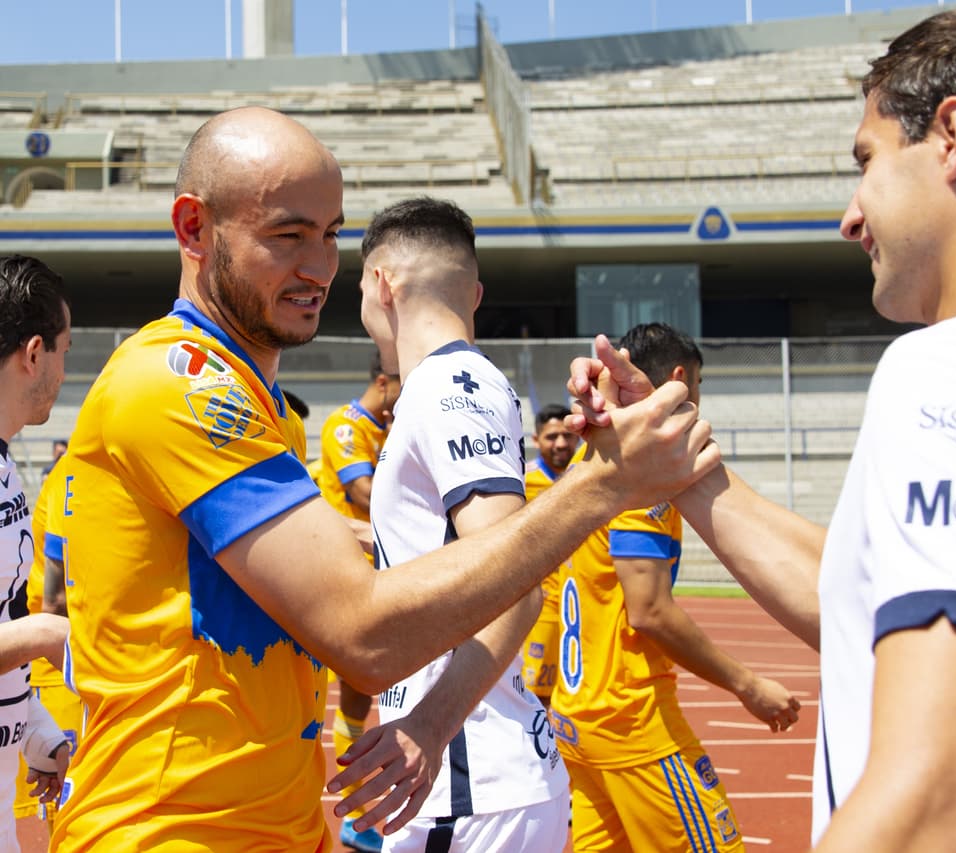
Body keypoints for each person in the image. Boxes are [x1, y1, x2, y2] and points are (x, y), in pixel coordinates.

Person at [567, 2, 956, 849]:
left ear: (951, 135)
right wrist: (680, 461)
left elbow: (939, 799)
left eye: (866, 160)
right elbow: (868, 601)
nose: (851, 214)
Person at [51, 107, 716, 852]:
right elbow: (362, 630)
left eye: (331, 233)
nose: (319, 267)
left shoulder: (265, 406)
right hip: (167, 829)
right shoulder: (176, 382)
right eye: (287, 234)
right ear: (195, 229)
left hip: (279, 820)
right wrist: (601, 484)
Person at [326, 196, 569, 851]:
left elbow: (515, 578)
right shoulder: (451, 384)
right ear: (476, 293)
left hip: (470, 781)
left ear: (381, 282)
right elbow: (445, 548)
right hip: (471, 779)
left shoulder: (449, 386)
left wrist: (430, 726)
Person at [554, 322, 800, 852]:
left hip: (580, 718)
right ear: (683, 379)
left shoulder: (591, 458)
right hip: (633, 720)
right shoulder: (642, 479)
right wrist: (748, 685)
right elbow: (649, 611)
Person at [0, 255, 76, 853]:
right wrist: (48, 634)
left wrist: (37, 736)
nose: (64, 370)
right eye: (64, 351)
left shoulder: (9, 468)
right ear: (33, 353)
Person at [315, 351, 401, 853]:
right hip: (344, 575)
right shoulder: (346, 427)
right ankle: (359, 816)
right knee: (358, 695)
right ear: (384, 381)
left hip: (372, 571)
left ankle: (364, 814)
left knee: (370, 695)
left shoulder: (381, 429)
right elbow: (364, 493)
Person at [12, 449, 83, 837]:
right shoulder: (74, 473)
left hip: (79, 673)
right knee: (46, 832)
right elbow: (56, 599)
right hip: (60, 674)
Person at [520, 403, 579, 707]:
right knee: (537, 694)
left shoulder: (587, 476)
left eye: (568, 436)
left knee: (578, 689)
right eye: (552, 436)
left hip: (580, 603)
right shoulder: (521, 481)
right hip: (539, 603)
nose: (560, 443)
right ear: (536, 440)